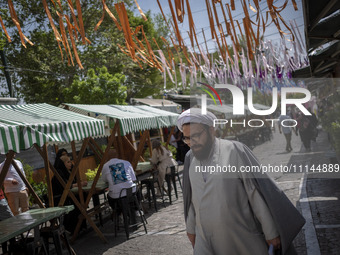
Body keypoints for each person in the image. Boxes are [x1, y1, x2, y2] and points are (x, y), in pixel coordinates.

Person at [177, 108, 305, 255]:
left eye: (196, 135)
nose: (191, 142)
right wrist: (191, 229)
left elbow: (254, 193)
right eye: (187, 138)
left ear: (211, 130)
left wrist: (271, 232)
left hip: (242, 236)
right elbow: (192, 199)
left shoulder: (234, 150)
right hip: (205, 239)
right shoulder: (190, 158)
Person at [51, 155, 87, 234]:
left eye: (70, 161)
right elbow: (67, 185)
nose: (70, 163)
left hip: (69, 197)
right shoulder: (59, 173)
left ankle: (81, 226)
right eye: (68, 162)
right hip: (60, 200)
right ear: (62, 164)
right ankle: (74, 228)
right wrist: (79, 184)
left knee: (82, 198)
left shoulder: (68, 172)